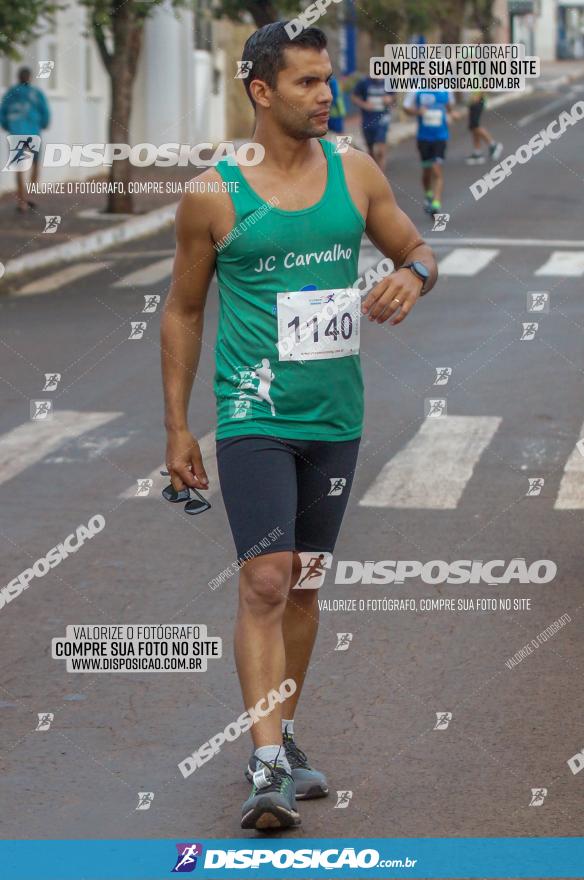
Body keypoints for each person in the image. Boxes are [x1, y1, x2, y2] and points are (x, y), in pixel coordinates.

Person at [160, 21, 437, 831]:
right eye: (308, 83)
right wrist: (179, 428)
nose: (326, 95)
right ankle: (267, 761)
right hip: (253, 413)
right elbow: (180, 311)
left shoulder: (355, 173)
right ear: (260, 91)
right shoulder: (214, 192)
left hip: (335, 417)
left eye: (328, 81)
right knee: (266, 577)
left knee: (307, 581)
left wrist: (413, 278)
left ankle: (281, 733)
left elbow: (417, 248)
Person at [0, 66, 50, 213]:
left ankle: (23, 200)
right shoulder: (36, 94)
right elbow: (45, 112)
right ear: (30, 78)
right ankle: (30, 195)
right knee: (35, 164)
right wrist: (43, 123)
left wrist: (7, 125)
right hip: (33, 132)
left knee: (19, 167)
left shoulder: (10, 93)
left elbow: (2, 112)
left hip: (16, 132)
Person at [403, 89, 460, 217]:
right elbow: (405, 108)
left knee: (437, 168)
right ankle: (428, 194)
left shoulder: (446, 89)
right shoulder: (416, 89)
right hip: (424, 138)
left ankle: (436, 202)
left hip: (441, 136)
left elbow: (449, 107)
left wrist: (453, 113)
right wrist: (418, 112)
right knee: (427, 171)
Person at [352, 74, 395, 168]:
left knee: (380, 149)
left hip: (383, 120)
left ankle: (381, 177)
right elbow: (354, 97)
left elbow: (394, 98)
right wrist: (364, 104)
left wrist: (389, 100)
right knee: (371, 150)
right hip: (368, 120)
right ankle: (373, 171)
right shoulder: (363, 82)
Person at [465, 90, 503, 164]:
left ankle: (493, 145)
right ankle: (477, 153)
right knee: (473, 127)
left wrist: (478, 96)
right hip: (472, 102)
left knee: (475, 126)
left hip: (477, 101)